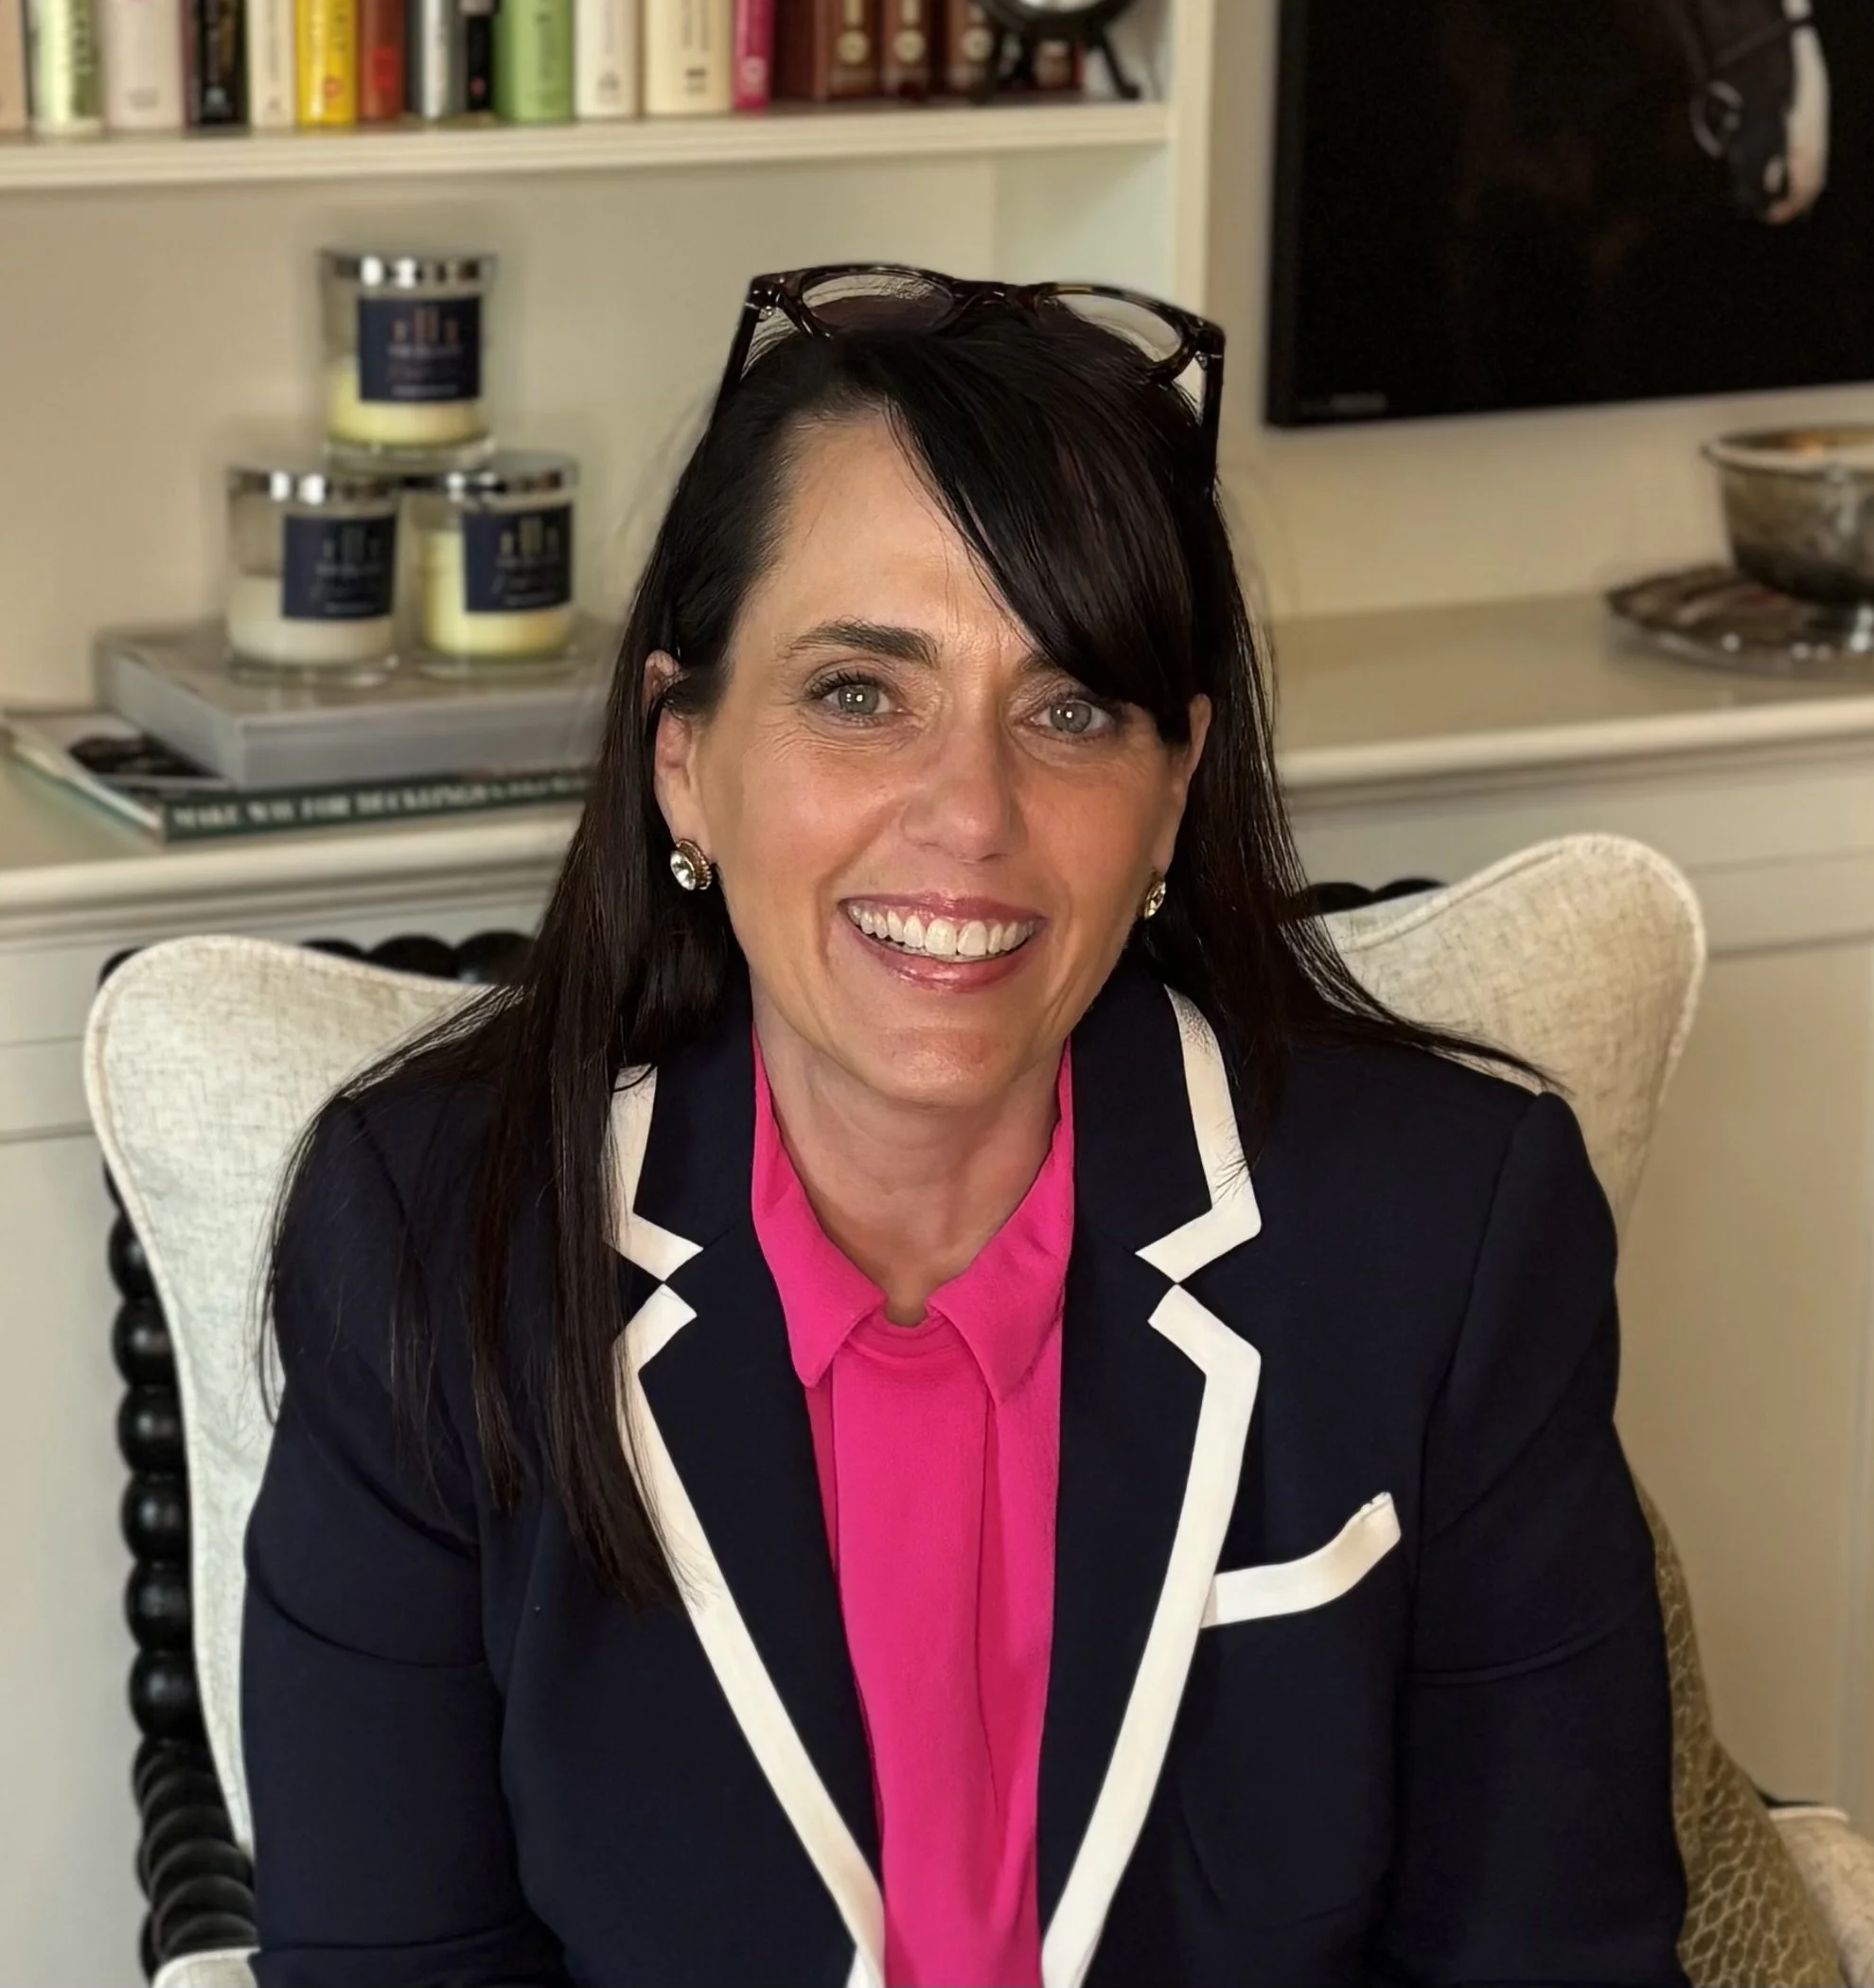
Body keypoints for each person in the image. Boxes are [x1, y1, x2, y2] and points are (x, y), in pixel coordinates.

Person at [243, 265, 1688, 1988]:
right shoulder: (428, 1235)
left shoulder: (1449, 1227)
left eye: (1069, 709)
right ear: (683, 753)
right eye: (862, 691)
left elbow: (1552, 1955)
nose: (970, 816)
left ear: (1173, 785)